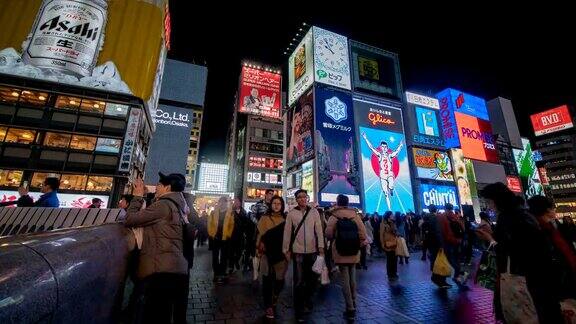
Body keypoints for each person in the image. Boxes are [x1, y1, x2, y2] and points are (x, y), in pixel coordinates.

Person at [476, 182, 564, 324]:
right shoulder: (523, 214)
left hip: (523, 281)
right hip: (538, 281)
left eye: (489, 201)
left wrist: (490, 239)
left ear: (496, 200)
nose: (489, 205)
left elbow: (513, 251)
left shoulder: (509, 218)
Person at [124, 173, 189, 324]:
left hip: (160, 270)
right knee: (163, 314)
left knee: (156, 316)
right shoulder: (175, 205)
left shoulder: (163, 205)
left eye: (159, 185)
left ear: (167, 187)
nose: (156, 187)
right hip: (173, 268)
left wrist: (138, 197)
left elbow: (129, 219)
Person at [282, 189, 325, 322]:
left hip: (312, 251)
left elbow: (319, 230)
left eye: (304, 197)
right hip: (298, 251)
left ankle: (308, 299)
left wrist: (321, 247)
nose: (302, 199)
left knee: (312, 279)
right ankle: (299, 308)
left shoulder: (314, 212)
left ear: (307, 198)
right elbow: (287, 232)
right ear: (296, 199)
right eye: (299, 197)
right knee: (299, 281)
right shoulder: (291, 213)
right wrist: (286, 250)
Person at [325, 194, 367, 321]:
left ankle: (349, 306)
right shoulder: (355, 215)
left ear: (337, 202)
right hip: (354, 250)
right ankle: (354, 300)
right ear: (348, 203)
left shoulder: (334, 216)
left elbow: (328, 234)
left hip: (340, 249)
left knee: (344, 279)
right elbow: (363, 234)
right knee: (352, 275)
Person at [528, 195, 576, 299]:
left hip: (564, 275)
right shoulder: (540, 230)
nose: (555, 211)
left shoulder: (552, 226)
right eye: (553, 208)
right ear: (547, 210)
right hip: (559, 281)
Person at [256, 195, 287, 320]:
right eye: (274, 203)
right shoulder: (264, 218)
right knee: (267, 280)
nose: (276, 205)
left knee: (280, 280)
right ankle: (268, 305)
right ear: (270, 204)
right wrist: (258, 247)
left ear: (282, 205)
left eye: (279, 203)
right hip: (266, 254)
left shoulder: (286, 219)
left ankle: (275, 296)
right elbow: (259, 235)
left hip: (281, 254)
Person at [361, 131, 403, 209]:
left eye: (385, 147)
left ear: (387, 148)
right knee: (385, 193)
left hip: (389, 174)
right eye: (382, 147)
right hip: (382, 175)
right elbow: (371, 148)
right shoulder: (379, 155)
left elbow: (396, 152)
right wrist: (365, 138)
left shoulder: (390, 155)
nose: (384, 148)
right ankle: (389, 208)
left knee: (391, 184)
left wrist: (400, 145)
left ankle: (391, 189)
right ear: (381, 147)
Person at [208, 196, 235, 283]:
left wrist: (228, 234)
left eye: (224, 202)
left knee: (224, 256)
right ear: (219, 203)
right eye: (221, 202)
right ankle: (216, 274)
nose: (222, 204)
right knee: (215, 256)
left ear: (226, 203)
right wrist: (212, 234)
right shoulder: (213, 212)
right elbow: (209, 224)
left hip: (225, 238)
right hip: (215, 237)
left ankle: (222, 273)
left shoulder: (230, 213)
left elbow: (231, 225)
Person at [442, 203, 465, 285]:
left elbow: (443, 231)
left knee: (450, 259)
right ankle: (458, 275)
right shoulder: (456, 216)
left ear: (445, 208)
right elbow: (463, 228)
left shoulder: (443, 217)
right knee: (457, 258)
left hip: (448, 241)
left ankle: (458, 273)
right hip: (458, 241)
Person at [380, 211, 399, 281]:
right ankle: (390, 273)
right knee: (389, 259)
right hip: (387, 243)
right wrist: (382, 244)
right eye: (392, 215)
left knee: (395, 259)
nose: (393, 215)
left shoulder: (393, 223)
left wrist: (393, 225)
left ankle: (394, 272)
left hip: (394, 243)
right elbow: (381, 235)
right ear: (388, 216)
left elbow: (395, 232)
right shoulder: (383, 224)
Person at [229, 197, 246, 273]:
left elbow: (245, 222)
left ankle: (236, 260)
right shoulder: (230, 211)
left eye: (237, 201)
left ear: (240, 202)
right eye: (235, 201)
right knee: (231, 251)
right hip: (231, 234)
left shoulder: (243, 211)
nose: (236, 203)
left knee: (239, 251)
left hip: (240, 234)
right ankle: (231, 266)